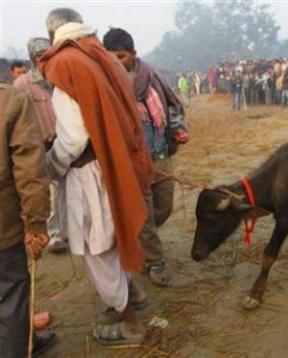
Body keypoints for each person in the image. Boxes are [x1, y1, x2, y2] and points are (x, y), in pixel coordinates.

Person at [39, 8, 154, 346]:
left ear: (52, 35)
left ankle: (130, 323)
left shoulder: (66, 65)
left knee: (97, 245)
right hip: (114, 163)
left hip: (89, 171)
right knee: (114, 233)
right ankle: (133, 293)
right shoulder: (102, 57)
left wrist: (49, 165)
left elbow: (74, 138)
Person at [103, 27, 188, 286]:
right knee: (146, 215)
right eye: (111, 58)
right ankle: (155, 261)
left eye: (121, 57)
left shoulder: (152, 77)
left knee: (163, 208)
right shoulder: (105, 84)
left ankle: (138, 240)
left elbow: (172, 107)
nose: (116, 63)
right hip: (131, 163)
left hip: (160, 154)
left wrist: (179, 128)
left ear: (133, 54)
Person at [0, 83, 57, 358]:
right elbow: (29, 169)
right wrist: (36, 223)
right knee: (11, 299)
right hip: (3, 229)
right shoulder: (10, 100)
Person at [13, 37, 68, 254]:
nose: (44, 59)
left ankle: (67, 230)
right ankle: (55, 234)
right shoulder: (23, 85)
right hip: (40, 144)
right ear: (32, 59)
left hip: (65, 141)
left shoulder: (62, 78)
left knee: (67, 188)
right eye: (39, 56)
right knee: (50, 193)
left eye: (48, 54)